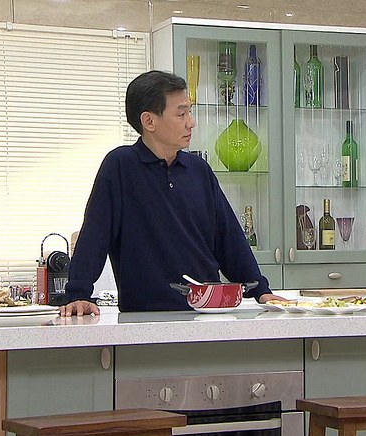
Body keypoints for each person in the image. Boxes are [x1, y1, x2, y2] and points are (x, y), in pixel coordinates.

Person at [61, 70, 281, 316]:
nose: (191, 122)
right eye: (181, 113)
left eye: (190, 112)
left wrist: (260, 290)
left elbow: (229, 238)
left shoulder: (199, 170)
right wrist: (78, 294)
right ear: (149, 121)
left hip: (206, 314)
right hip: (144, 318)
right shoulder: (120, 166)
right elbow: (95, 235)